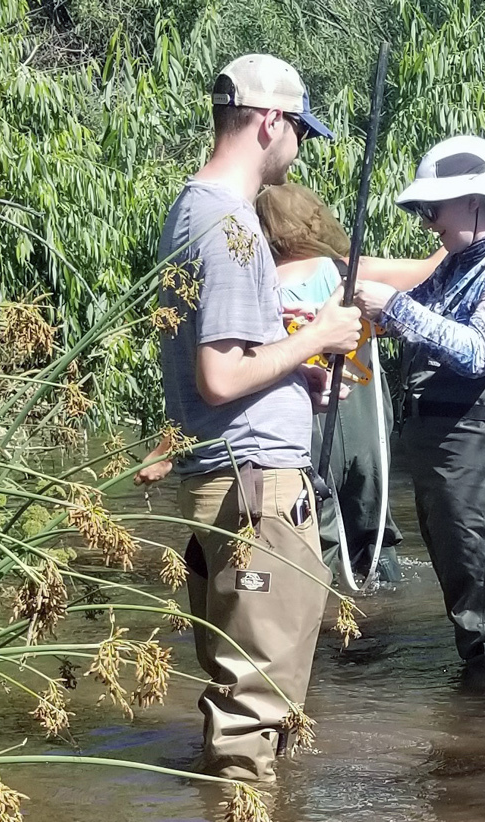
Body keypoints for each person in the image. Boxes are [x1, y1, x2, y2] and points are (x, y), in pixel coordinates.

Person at [139, 54, 362, 783]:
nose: (299, 145)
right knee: (254, 717)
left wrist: (295, 374)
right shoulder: (231, 223)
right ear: (270, 121)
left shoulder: (190, 208)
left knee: (247, 697)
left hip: (229, 481)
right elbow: (221, 373)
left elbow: (226, 363)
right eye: (300, 128)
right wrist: (319, 339)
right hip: (254, 492)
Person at [351, 136, 485, 687]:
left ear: (474, 200)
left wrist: (393, 307)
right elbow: (427, 330)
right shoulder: (461, 264)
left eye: (432, 209)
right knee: (472, 603)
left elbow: (478, 351)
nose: (426, 222)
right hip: (453, 461)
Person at [252, 182, 444, 584]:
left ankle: (323, 613)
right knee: (372, 521)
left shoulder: (258, 283)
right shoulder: (349, 270)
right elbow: (431, 271)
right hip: (363, 416)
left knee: (316, 522)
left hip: (304, 418)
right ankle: (381, 613)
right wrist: (468, 221)